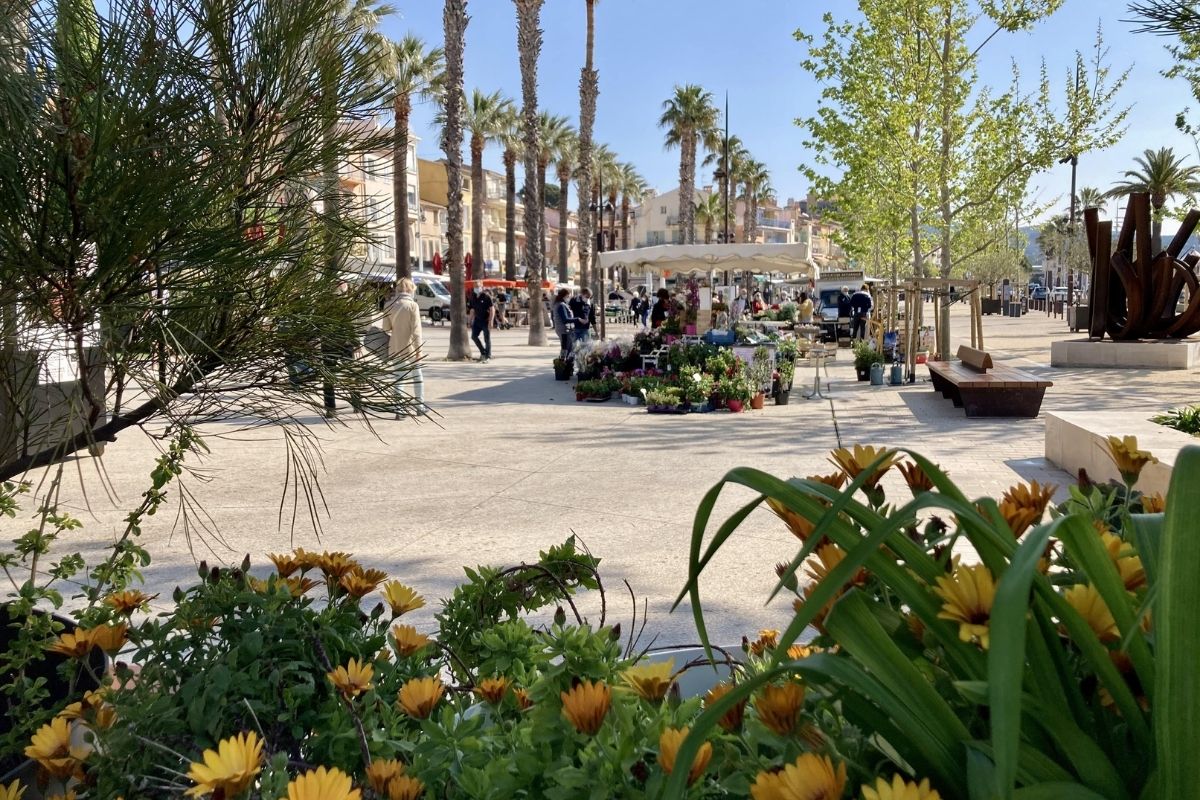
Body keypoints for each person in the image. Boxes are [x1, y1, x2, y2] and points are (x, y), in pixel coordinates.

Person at [381, 277, 424, 417]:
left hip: (395, 346)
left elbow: (385, 327)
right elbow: (416, 330)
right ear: (410, 289)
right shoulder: (413, 306)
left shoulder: (388, 305)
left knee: (399, 378)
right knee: (417, 376)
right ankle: (419, 406)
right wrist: (419, 350)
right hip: (410, 346)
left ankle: (398, 409)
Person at [468, 280, 494, 361]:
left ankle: (488, 355)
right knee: (474, 336)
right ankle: (483, 352)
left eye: (478, 286)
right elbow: (472, 309)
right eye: (475, 287)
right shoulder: (473, 296)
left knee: (487, 338)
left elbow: (492, 309)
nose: (477, 288)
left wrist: (491, 321)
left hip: (486, 320)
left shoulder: (486, 296)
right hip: (477, 320)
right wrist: (469, 320)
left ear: (482, 286)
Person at [551, 288, 581, 359]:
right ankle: (563, 365)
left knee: (567, 348)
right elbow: (565, 319)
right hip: (564, 330)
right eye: (568, 296)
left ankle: (565, 364)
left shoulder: (559, 304)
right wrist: (578, 319)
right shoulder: (561, 305)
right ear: (565, 295)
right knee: (566, 348)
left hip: (563, 329)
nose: (569, 298)